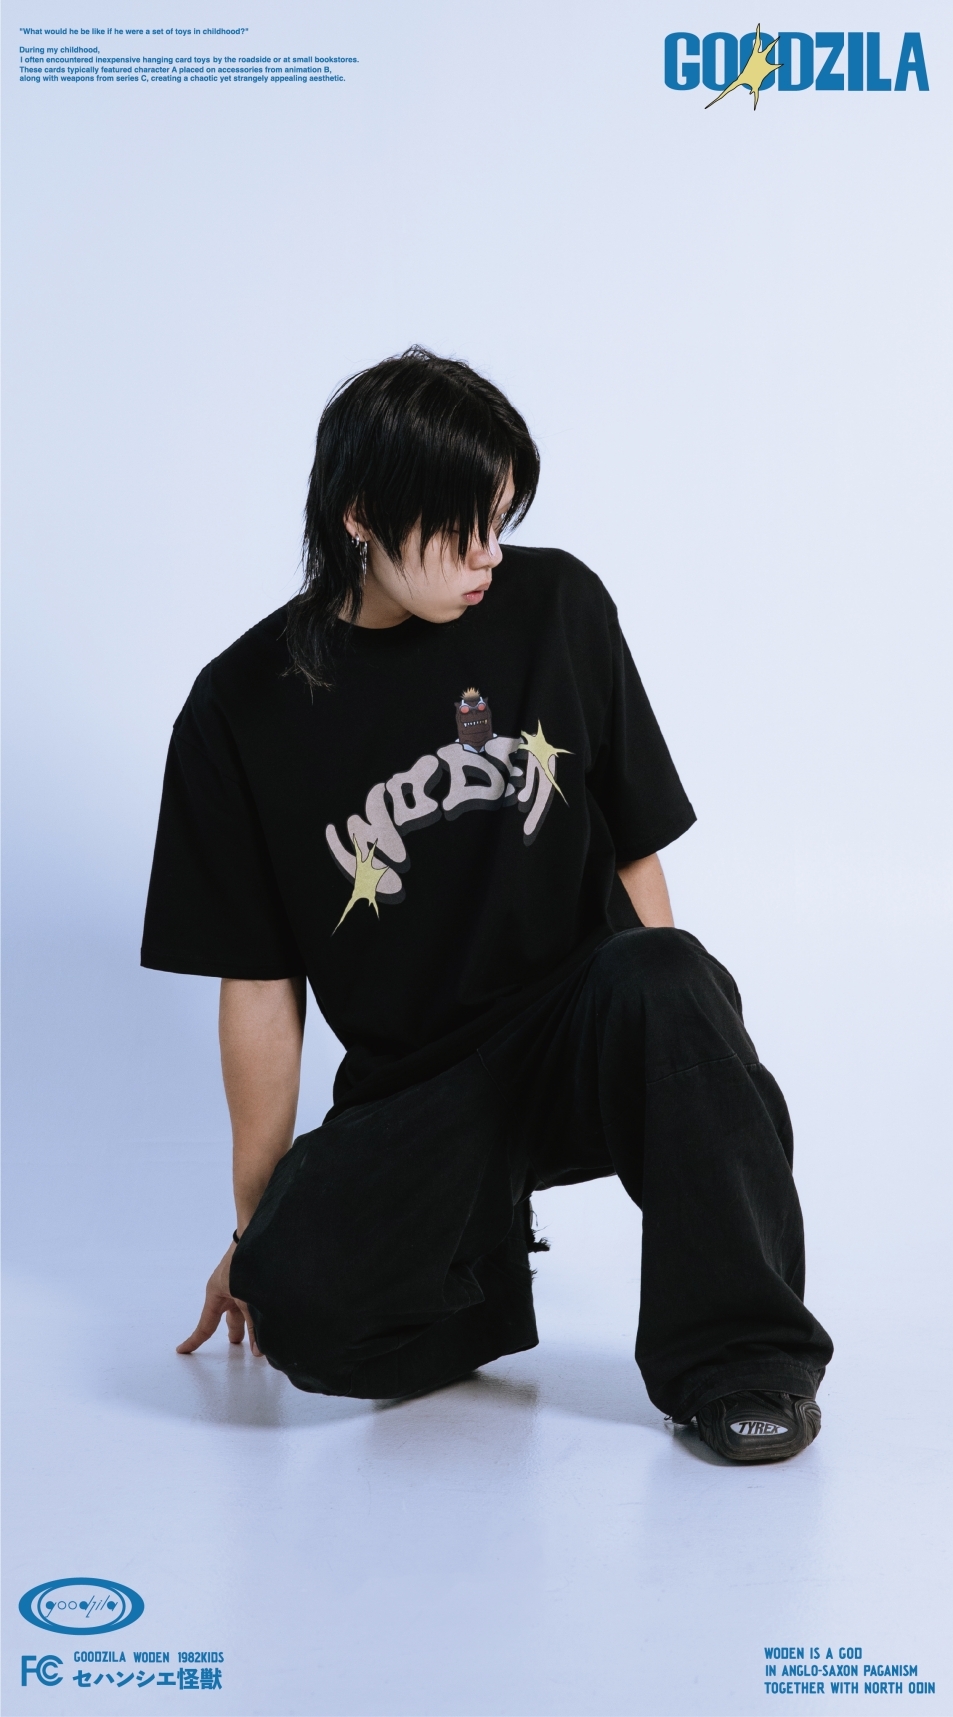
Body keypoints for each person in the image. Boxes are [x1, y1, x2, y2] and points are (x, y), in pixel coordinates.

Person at [141, 347, 832, 1464]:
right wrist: (253, 1231)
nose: (489, 553)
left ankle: (742, 1361)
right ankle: (480, 1282)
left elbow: (637, 862)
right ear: (360, 514)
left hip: (580, 1029)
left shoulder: (558, 606)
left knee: (668, 975)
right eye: (464, 526)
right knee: (299, 1303)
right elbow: (260, 988)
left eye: (502, 519)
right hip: (418, 1095)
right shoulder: (240, 706)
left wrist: (685, 1058)